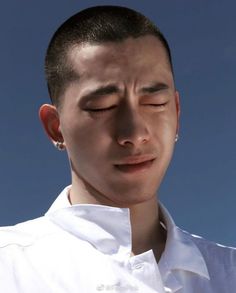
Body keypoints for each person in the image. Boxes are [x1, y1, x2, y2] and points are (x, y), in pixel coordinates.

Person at [0, 5, 235, 293]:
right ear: (55, 126)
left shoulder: (228, 273)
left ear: (176, 113)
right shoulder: (9, 268)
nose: (135, 134)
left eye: (155, 103)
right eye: (103, 107)